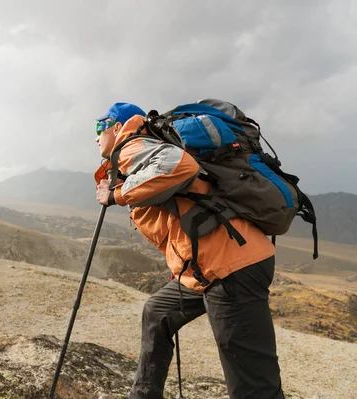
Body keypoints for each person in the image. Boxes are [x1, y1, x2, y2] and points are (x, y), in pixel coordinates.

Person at [93, 102, 283, 399]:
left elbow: (183, 166)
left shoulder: (132, 145)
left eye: (99, 127)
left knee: (252, 382)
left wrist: (115, 195)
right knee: (157, 313)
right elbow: (176, 218)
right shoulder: (141, 152)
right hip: (208, 267)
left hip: (232, 266)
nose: (96, 137)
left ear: (118, 126)